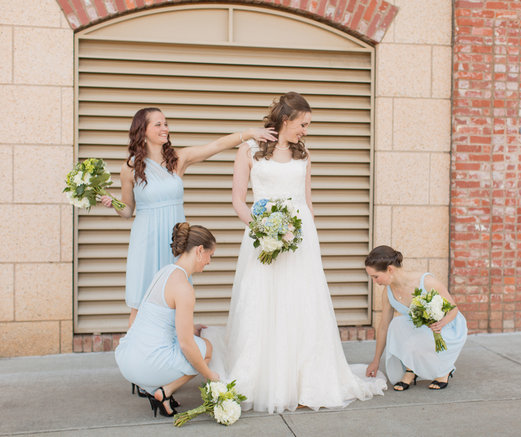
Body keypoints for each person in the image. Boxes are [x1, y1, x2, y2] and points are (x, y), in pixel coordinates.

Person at [219, 92, 386, 413]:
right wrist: (263, 228)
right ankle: (261, 377)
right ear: (286, 120)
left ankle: (305, 379)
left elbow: (307, 201)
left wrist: (309, 240)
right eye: (303, 124)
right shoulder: (250, 150)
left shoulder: (304, 154)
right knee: (262, 302)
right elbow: (239, 200)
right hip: (262, 235)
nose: (306, 131)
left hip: (300, 238)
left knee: (301, 303)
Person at [101, 107, 276, 327]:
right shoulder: (129, 168)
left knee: (177, 296)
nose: (165, 128)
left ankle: (177, 349)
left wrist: (250, 133)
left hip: (176, 239)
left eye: (166, 123)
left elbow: (215, 146)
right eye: (158, 124)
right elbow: (127, 211)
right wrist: (112, 202)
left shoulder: (178, 159)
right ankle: (134, 357)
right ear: (142, 130)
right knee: (141, 301)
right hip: (146, 240)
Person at [115, 222, 220, 417]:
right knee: (206, 348)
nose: (209, 262)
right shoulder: (184, 288)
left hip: (127, 359)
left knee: (194, 341)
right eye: (210, 255)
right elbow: (186, 345)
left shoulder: (165, 272)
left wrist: (192, 327)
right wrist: (210, 375)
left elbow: (158, 318)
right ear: (199, 251)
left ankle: (156, 389)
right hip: (146, 364)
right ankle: (165, 391)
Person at [364, 245, 467, 390]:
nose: (375, 281)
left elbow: (453, 309)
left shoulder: (427, 282)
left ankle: (444, 370)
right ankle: (410, 370)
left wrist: (441, 323)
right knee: (397, 324)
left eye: (376, 276)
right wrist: (375, 361)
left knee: (412, 331)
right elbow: (383, 327)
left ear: (390, 269)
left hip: (445, 326)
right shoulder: (387, 293)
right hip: (421, 328)